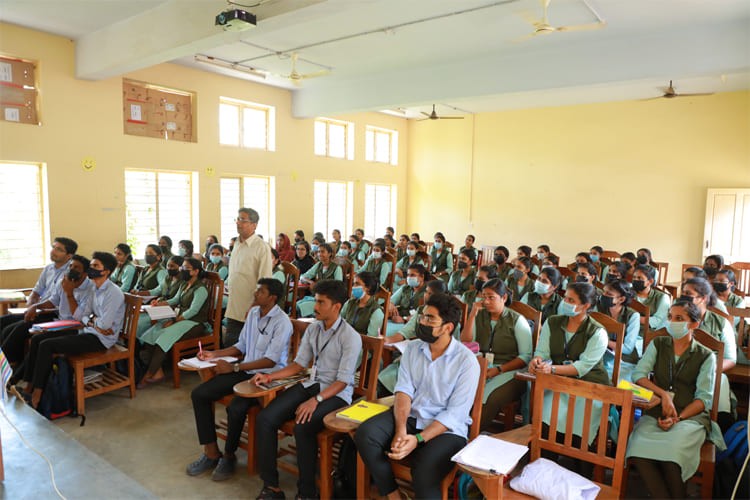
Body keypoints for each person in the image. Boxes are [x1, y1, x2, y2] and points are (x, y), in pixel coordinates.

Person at [354, 294, 481, 500]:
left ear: (448, 327)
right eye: (422, 316)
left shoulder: (466, 362)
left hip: (447, 430)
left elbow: (455, 414)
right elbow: (404, 392)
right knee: (365, 434)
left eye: (430, 319)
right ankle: (394, 494)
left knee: (423, 469)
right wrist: (401, 429)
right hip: (412, 417)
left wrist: (418, 439)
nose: (422, 322)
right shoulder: (413, 349)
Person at [253, 280, 362, 500]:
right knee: (266, 418)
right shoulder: (314, 328)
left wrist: (317, 400)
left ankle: (307, 493)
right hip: (312, 384)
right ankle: (271, 487)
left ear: (337, 306)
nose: (315, 306)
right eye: (316, 300)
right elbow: (299, 364)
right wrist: (269, 376)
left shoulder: (350, 337)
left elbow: (342, 381)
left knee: (303, 427)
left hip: (337, 394)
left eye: (321, 302)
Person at [186, 279, 292, 481]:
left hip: (266, 378)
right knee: (199, 394)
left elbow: (270, 360)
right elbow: (241, 345)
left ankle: (228, 455)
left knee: (236, 408)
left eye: (260, 291)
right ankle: (211, 452)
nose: (255, 293)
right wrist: (214, 354)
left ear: (272, 298)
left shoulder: (282, 322)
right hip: (246, 370)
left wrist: (234, 367)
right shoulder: (253, 313)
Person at [626, 301, 720, 499]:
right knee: (637, 449)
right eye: (670, 317)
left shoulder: (705, 355)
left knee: (672, 455)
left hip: (689, 417)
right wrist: (663, 396)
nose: (672, 322)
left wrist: (678, 417)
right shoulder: (659, 344)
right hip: (657, 413)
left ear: (694, 324)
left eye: (679, 319)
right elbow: (639, 375)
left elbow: (704, 399)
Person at [18, 251, 125, 409]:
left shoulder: (113, 292)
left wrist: (92, 321)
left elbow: (104, 326)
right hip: (88, 332)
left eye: (96, 266)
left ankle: (36, 397)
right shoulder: (94, 289)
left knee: (47, 346)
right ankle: (28, 385)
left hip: (101, 340)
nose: (91, 268)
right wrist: (93, 320)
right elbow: (80, 315)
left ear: (106, 271)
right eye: (91, 265)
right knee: (37, 339)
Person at [528, 283, 610, 447]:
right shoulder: (553, 322)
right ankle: (544, 463)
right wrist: (537, 361)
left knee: (580, 424)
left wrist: (551, 369)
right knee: (546, 417)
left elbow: (582, 367)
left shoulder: (597, 332)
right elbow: (542, 352)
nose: (564, 302)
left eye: (570, 300)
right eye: (565, 297)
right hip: (559, 383)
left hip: (590, 385)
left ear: (585, 306)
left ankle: (576, 466)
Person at [4, 254, 94, 378]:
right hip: (59, 321)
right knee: (23, 328)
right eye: (71, 266)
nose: (72, 270)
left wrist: (69, 293)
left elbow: (79, 317)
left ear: (85, 274)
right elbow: (52, 301)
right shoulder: (65, 281)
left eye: (77, 268)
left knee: (39, 340)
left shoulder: (90, 289)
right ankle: (12, 371)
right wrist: (35, 307)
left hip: (76, 327)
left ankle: (19, 378)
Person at [462, 279, 532, 430]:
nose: (486, 301)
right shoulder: (480, 316)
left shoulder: (517, 321)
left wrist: (499, 370)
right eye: (483, 297)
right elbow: (466, 342)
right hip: (481, 367)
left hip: (510, 370)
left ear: (504, 298)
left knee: (487, 397)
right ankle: (452, 427)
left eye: (491, 297)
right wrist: (472, 314)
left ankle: (470, 433)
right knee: (459, 389)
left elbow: (525, 357)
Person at [139, 257, 211, 385]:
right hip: (180, 318)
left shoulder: (201, 289)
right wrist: (160, 303)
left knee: (163, 339)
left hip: (194, 323)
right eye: (182, 267)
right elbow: (175, 300)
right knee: (149, 336)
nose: (182, 270)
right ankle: (158, 372)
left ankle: (150, 374)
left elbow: (193, 311)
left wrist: (175, 321)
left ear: (195, 271)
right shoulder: (184, 284)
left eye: (186, 268)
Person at [681, 277, 736, 429]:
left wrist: (710, 369)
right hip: (680, 367)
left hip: (712, 370)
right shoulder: (676, 317)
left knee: (721, 380)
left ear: (703, 298)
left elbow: (731, 359)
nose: (683, 297)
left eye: (688, 293)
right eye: (682, 293)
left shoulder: (721, 323)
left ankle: (716, 425)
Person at [0, 237, 76, 334]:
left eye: (59, 250)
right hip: (38, 310)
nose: (53, 251)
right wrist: (31, 306)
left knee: (14, 330)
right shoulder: (49, 268)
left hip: (53, 314)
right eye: (53, 247)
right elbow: (36, 291)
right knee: (3, 321)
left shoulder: (71, 273)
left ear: (69, 256)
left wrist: (36, 308)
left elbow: (57, 303)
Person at [225, 208, 273, 347]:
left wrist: (255, 306)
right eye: (237, 219)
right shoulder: (237, 244)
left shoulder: (261, 247)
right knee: (230, 347)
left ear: (254, 225)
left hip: (250, 309)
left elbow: (265, 282)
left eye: (243, 220)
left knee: (247, 351)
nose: (238, 223)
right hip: (234, 307)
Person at [597, 279, 640, 381]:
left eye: (609, 294)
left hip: (624, 360)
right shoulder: (599, 308)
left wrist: (604, 341)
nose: (604, 295)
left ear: (621, 299)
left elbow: (627, 348)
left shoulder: (633, 316)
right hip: (601, 355)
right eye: (604, 292)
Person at [340, 272, 384, 337]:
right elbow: (339, 320)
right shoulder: (350, 303)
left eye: (357, 284)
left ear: (368, 288)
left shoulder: (376, 311)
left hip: (361, 344)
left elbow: (371, 339)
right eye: (353, 284)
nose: (353, 287)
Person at [632, 264, 670, 332]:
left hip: (648, 333)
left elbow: (658, 320)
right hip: (627, 331)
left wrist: (632, 318)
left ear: (650, 281)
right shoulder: (627, 293)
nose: (635, 280)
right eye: (634, 277)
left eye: (639, 278)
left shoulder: (662, 297)